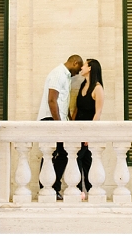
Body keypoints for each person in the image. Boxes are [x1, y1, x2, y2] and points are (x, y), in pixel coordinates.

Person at [37, 55, 83, 199]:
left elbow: (63, 101)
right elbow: (52, 100)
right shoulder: (58, 74)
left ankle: (52, 187)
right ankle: (48, 188)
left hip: (58, 120)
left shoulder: (66, 76)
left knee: (60, 153)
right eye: (79, 68)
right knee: (51, 154)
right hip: (51, 120)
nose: (79, 72)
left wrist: (68, 120)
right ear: (74, 62)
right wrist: (58, 124)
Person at [71, 58, 104, 197]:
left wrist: (89, 135)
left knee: (79, 156)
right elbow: (77, 109)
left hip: (88, 129)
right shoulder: (83, 85)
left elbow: (98, 113)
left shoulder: (98, 88)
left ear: (90, 68)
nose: (81, 67)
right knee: (85, 158)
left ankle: (81, 190)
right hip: (77, 128)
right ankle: (90, 189)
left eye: (84, 65)